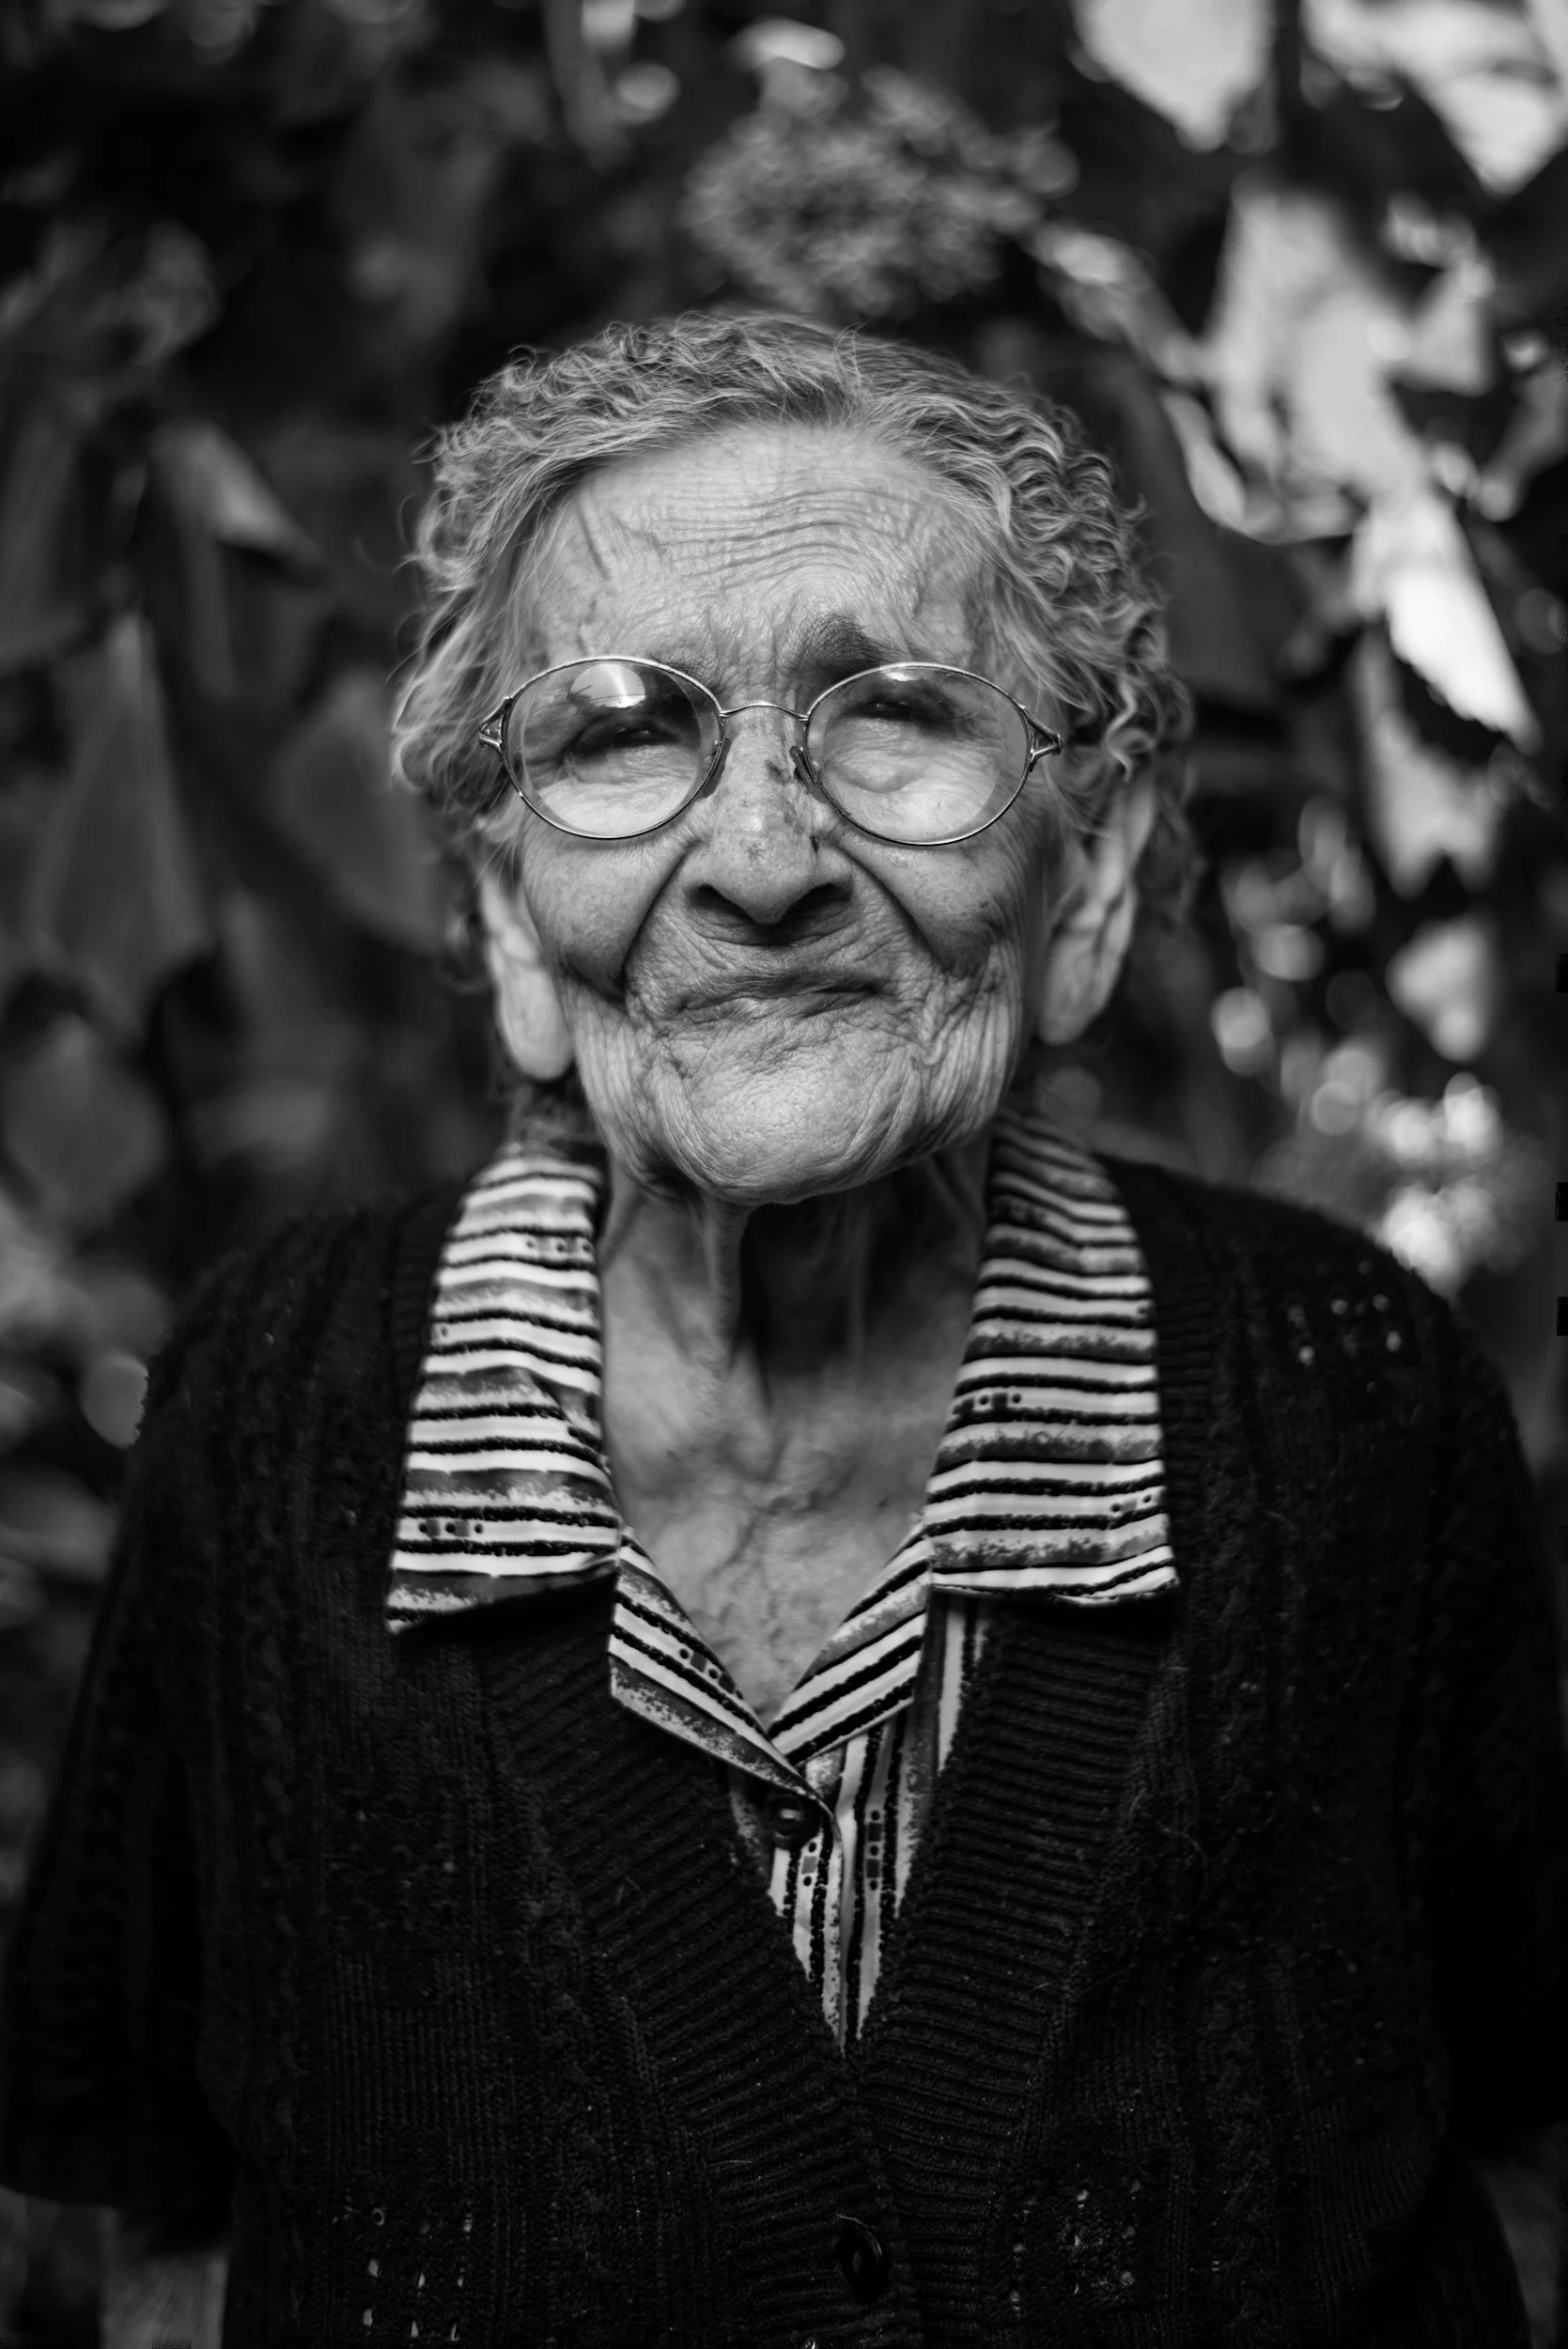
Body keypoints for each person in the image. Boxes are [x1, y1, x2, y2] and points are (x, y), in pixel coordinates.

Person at [2, 312, 1564, 2349]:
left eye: (894, 714)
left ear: (1083, 878)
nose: (759, 859)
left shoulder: (1344, 1392)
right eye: (625, 730)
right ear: (507, 922)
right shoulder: (286, 1396)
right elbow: (158, 2230)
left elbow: (1529, 2152)